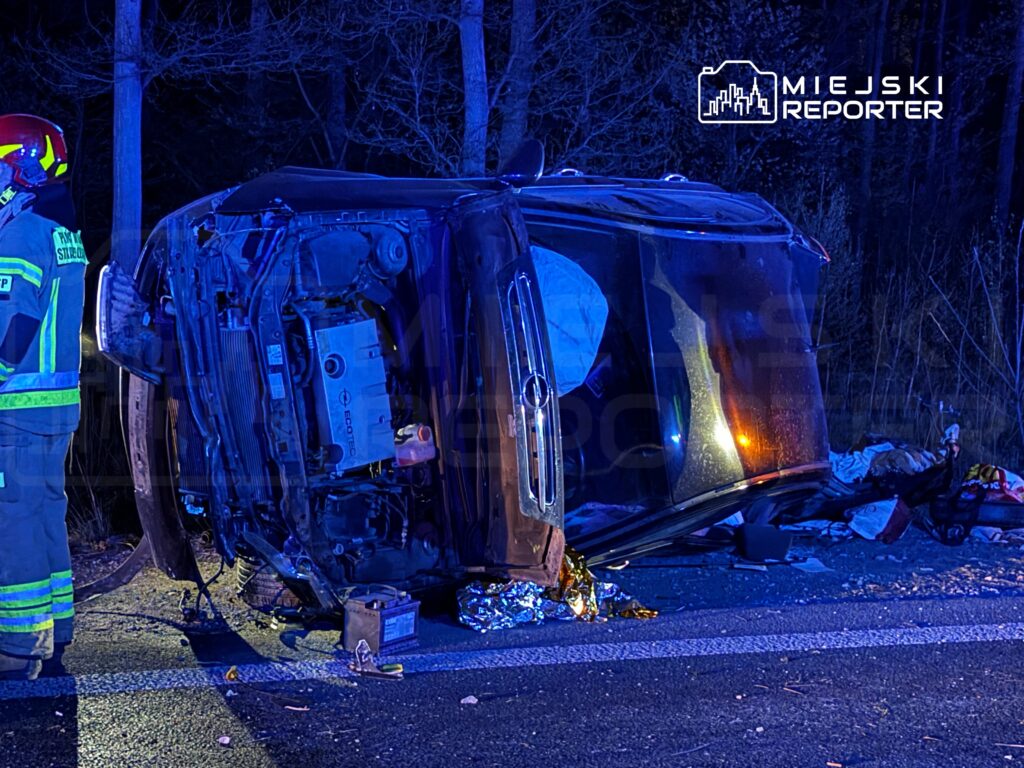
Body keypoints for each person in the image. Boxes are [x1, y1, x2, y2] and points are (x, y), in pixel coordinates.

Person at [0, 114, 85, 680]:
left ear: (21, 168)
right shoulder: (62, 231)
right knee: (47, 513)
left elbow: (14, 323)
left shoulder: (20, 233)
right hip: (56, 408)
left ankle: (16, 646)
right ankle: (57, 629)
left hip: (18, 410)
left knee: (14, 523)